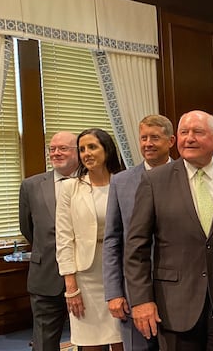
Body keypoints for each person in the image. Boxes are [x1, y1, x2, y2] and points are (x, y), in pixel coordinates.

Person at [125, 111, 213, 351]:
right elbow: (136, 247)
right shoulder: (154, 181)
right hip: (174, 306)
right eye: (183, 132)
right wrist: (141, 301)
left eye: (198, 132)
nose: (189, 138)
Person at [103, 115, 175, 351]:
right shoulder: (121, 182)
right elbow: (113, 240)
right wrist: (114, 292)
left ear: (171, 141)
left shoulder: (187, 177)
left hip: (179, 293)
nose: (148, 144)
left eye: (155, 137)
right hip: (132, 292)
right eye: (143, 138)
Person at [56, 128, 125, 351]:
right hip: (85, 276)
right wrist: (70, 287)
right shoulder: (69, 188)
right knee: (89, 340)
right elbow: (64, 238)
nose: (87, 153)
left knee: (122, 337)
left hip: (121, 271)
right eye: (82, 149)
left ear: (107, 150)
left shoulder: (124, 183)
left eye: (92, 147)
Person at [19, 131, 79, 351]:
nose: (56, 153)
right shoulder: (30, 186)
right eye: (52, 148)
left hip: (86, 275)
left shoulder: (92, 181)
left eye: (63, 148)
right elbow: (28, 229)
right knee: (44, 342)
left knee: (91, 340)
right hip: (45, 275)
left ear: (78, 152)